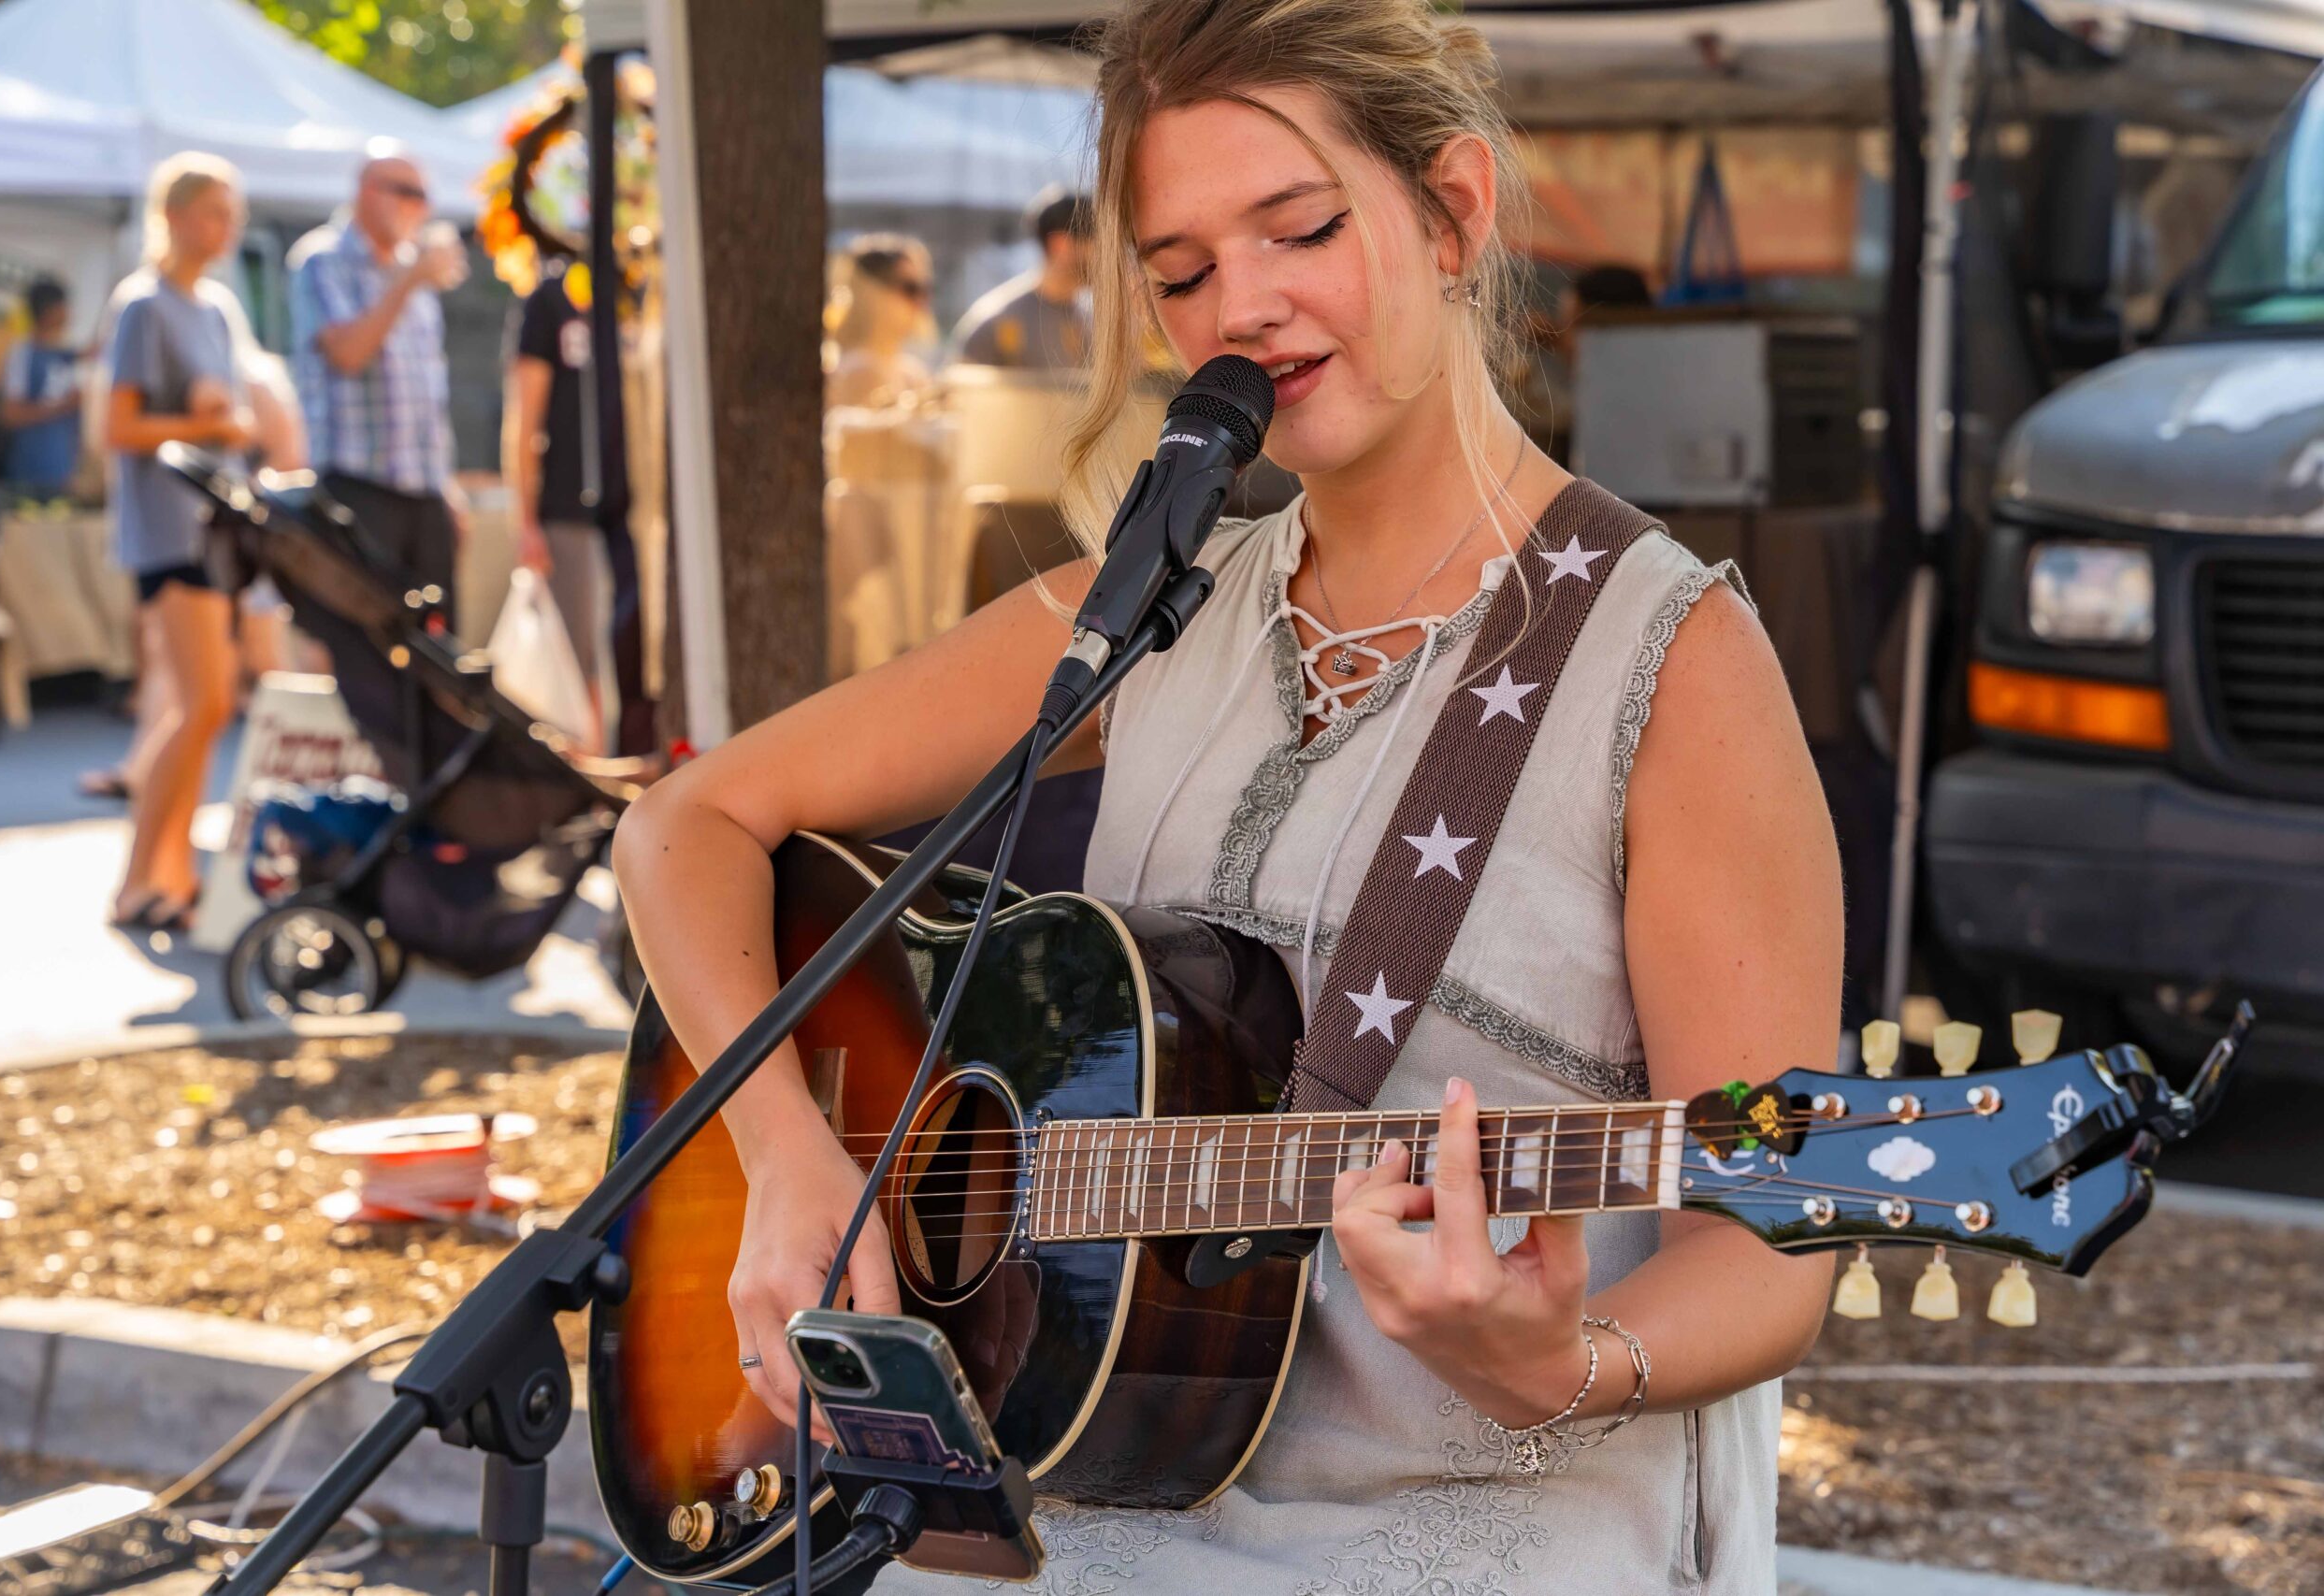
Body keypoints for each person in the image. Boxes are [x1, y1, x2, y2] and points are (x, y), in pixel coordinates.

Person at [613, 1, 1840, 1591]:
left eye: (1301, 229)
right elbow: (687, 824)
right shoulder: (1145, 613)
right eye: (1181, 273)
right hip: (1105, 1491)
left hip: (1486, 1510)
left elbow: (1773, 1239)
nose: (1241, 309)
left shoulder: (1670, 659)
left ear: (1454, 209)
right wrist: (791, 1156)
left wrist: (1562, 1359)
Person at [99, 152, 251, 931]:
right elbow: (117, 429)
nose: (229, 226)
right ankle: (135, 883)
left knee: (207, 707)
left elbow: (237, 416)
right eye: (216, 211)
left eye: (233, 211)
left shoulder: (217, 308)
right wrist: (204, 424)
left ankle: (173, 875)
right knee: (201, 703)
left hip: (215, 527)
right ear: (179, 215)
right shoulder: (144, 307)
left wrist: (227, 424)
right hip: (165, 529)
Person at [287, 151, 467, 618]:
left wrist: (444, 485)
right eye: (405, 192)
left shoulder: (415, 271)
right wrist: (406, 282)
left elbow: (428, 391)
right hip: (358, 487)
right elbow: (347, 353)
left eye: (424, 196)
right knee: (371, 642)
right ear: (366, 191)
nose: (418, 207)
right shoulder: (324, 259)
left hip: (423, 491)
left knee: (439, 644)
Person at [505, 260, 610, 735]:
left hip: (633, 517)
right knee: (575, 666)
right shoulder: (550, 298)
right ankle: (588, 789)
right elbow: (524, 419)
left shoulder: (637, 289)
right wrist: (525, 521)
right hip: (568, 514)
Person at [947, 186, 1092, 369]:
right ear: (1060, 244)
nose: (1109, 258)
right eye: (1097, 243)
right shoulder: (996, 322)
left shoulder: (1093, 322)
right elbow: (960, 392)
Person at [823, 235, 936, 410]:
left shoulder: (911, 372)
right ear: (871, 292)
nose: (920, 301)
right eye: (909, 288)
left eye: (924, 289)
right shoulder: (858, 370)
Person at [0, 278, 82, 500]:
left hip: (63, 475)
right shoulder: (22, 354)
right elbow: (10, 414)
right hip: (28, 476)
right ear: (51, 311)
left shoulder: (67, 355)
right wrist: (62, 407)